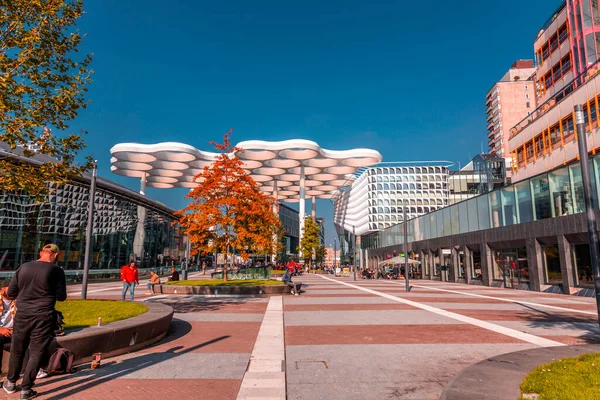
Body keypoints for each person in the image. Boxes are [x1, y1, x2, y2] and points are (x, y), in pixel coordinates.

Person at [4, 243, 67, 400]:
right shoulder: (57, 271)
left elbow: (11, 292)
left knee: (17, 349)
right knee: (36, 351)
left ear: (41, 253)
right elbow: (61, 296)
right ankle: (26, 390)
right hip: (43, 316)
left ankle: (11, 383)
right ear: (55, 255)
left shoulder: (23, 267)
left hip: (22, 314)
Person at [0, 279, 15, 376]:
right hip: (1, 330)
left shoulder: (18, 301)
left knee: (25, 339)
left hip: (14, 330)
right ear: (2, 289)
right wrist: (1, 330)